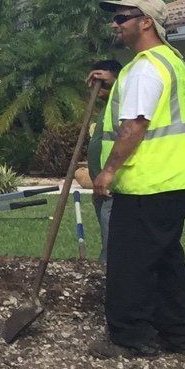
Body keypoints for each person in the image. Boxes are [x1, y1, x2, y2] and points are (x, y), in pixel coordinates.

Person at [90, 0, 185, 358]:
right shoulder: (172, 61)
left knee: (129, 263)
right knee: (166, 259)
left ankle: (129, 335)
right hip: (174, 181)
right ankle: (178, 332)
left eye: (122, 18)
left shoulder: (145, 67)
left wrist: (107, 171)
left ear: (146, 22)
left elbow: (134, 127)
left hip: (145, 183)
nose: (114, 25)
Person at [84, 59, 122, 262]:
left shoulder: (123, 100)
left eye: (102, 83)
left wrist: (114, 81)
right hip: (101, 185)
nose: (98, 88)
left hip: (113, 186)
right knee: (108, 235)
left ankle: (110, 270)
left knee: (113, 241)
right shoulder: (107, 108)